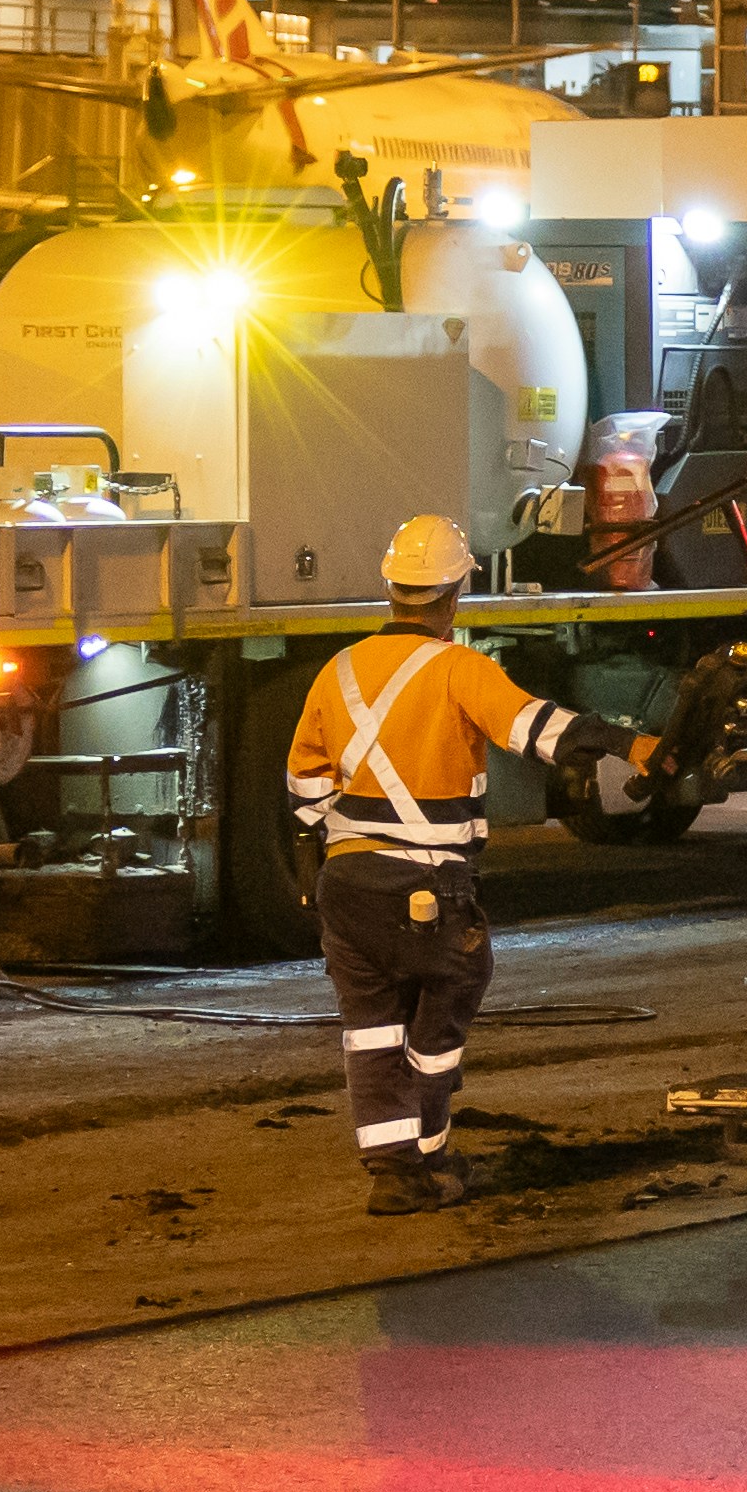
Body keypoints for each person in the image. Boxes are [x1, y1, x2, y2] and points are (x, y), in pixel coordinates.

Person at [283, 513, 640, 1213]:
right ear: (452, 598)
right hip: (427, 885)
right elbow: (539, 730)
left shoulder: (338, 671)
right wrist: (628, 742)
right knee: (443, 1009)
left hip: (348, 887)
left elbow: (304, 790)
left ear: (392, 590)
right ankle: (428, 1150)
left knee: (371, 1029)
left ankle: (391, 1172)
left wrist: (313, 875)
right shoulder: (460, 669)